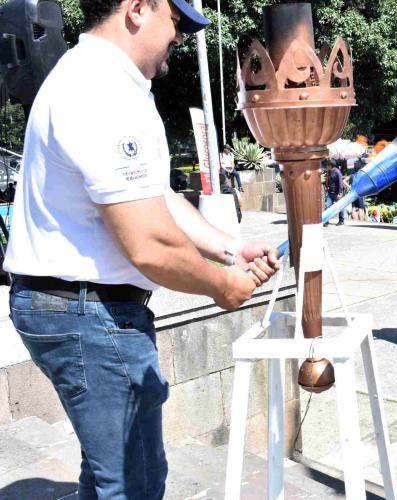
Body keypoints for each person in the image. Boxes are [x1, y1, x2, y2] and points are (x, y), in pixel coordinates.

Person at [2, 1, 281, 497]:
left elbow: (158, 198)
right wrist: (223, 286)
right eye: (175, 21)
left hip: (78, 307)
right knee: (134, 484)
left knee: (110, 473)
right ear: (137, 9)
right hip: (87, 313)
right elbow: (148, 244)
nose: (179, 36)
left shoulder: (102, 78)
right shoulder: (100, 88)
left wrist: (229, 251)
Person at [324, 160, 345, 226]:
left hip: (337, 193)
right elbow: (328, 181)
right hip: (330, 192)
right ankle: (326, 221)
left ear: (330, 165)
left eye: (327, 165)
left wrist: (340, 193)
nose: (326, 166)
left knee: (340, 207)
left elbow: (340, 183)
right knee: (328, 206)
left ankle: (341, 220)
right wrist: (326, 186)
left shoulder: (337, 172)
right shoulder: (329, 172)